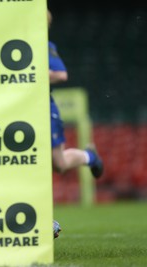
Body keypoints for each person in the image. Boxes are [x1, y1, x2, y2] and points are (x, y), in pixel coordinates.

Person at [48, 10, 104, 238]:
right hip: (17, 109)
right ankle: (43, 220)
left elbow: (61, 75)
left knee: (58, 164)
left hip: (43, 108)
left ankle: (90, 157)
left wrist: (28, 74)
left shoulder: (43, 45)